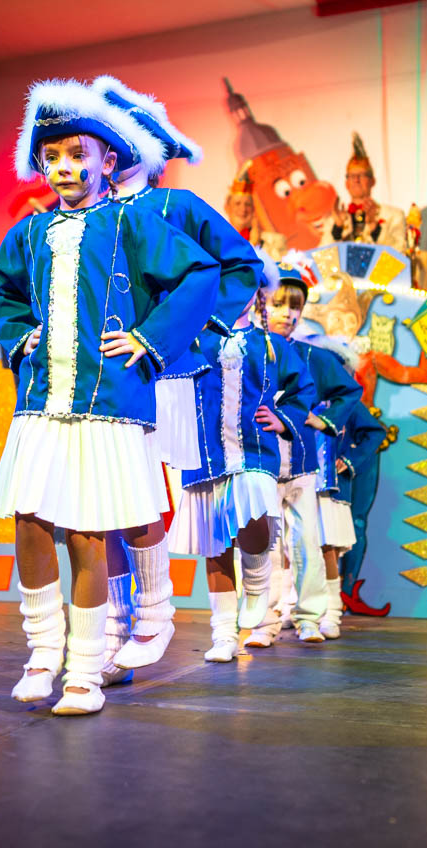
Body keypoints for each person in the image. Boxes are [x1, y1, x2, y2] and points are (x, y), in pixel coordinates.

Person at [0, 79, 219, 716]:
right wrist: (20, 335)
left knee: (88, 533)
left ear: (106, 160)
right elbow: (4, 295)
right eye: (52, 157)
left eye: (77, 155)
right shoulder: (28, 234)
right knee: (30, 523)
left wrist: (150, 338)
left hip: (108, 400)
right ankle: (42, 653)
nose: (65, 167)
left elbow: (199, 272)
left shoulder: (131, 220)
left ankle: (85, 671)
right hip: (41, 400)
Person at [87, 76, 264, 683]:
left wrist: (202, 329)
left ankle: (178, 618)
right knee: (110, 501)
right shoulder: (91, 216)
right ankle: (115, 624)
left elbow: (240, 264)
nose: (111, 152)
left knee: (172, 495)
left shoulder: (177, 206)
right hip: (111, 377)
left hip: (175, 372)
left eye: (119, 140)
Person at [169, 256, 315, 663]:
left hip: (254, 451)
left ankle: (256, 579)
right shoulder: (196, 339)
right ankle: (223, 634)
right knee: (215, 544)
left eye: (245, 283)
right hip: (206, 455)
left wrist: (283, 418)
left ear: (257, 293)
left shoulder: (271, 345)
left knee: (256, 517)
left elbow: (302, 388)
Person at [251, 264, 358, 645]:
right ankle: (262, 621)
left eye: (295, 306)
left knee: (307, 542)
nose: (288, 314)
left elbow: (349, 391)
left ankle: (310, 617)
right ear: (261, 303)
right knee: (260, 544)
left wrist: (321, 420)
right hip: (257, 462)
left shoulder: (315, 357)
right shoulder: (247, 349)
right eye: (279, 304)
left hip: (300, 463)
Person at [320, 392, 387, 639]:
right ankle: (290, 607)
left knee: (336, 535)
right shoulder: (297, 391)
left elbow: (374, 432)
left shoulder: (343, 395)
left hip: (333, 479)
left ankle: (339, 600)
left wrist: (349, 460)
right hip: (302, 479)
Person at [322, 133, 405, 248]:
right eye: (352, 176)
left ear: (372, 181)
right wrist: (338, 228)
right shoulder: (333, 220)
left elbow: (399, 252)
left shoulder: (393, 216)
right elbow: (321, 256)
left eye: (361, 175)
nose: (356, 180)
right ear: (346, 184)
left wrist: (374, 226)